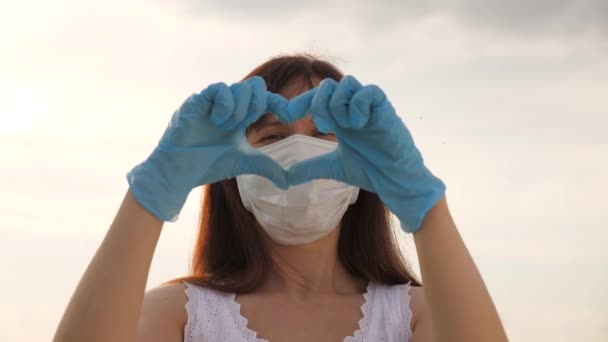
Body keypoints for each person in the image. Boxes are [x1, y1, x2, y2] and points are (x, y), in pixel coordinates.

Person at [53, 53, 508, 342]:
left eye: (324, 137)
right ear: (232, 174)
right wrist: (150, 195)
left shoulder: (415, 317)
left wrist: (423, 203)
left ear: (362, 165)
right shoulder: (178, 316)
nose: (298, 153)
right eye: (272, 137)